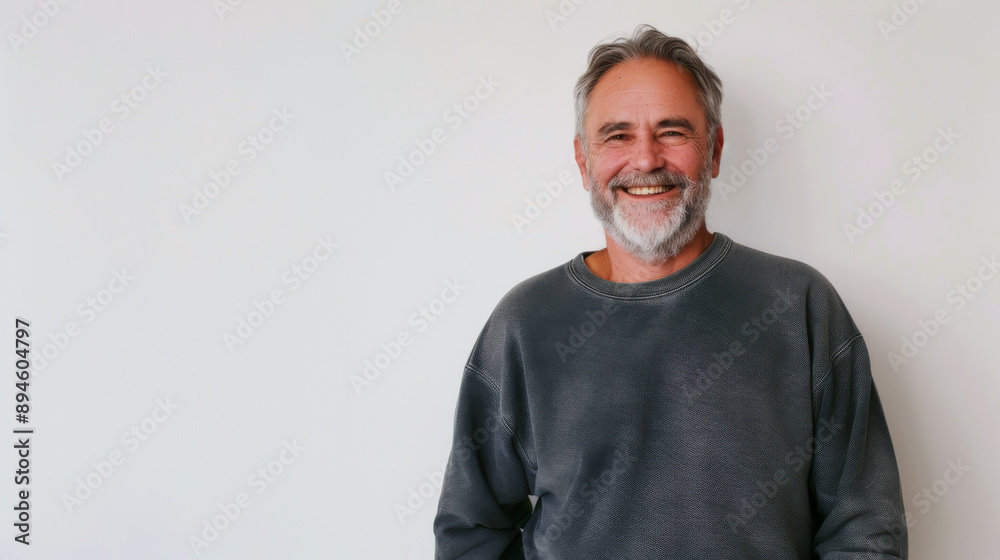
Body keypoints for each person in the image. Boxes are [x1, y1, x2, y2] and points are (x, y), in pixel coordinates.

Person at [433, 24, 907, 559]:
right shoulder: (525, 324)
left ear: (715, 151)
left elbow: (865, 529)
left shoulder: (800, 307)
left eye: (673, 131)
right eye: (617, 135)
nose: (645, 160)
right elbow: (472, 531)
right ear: (583, 162)